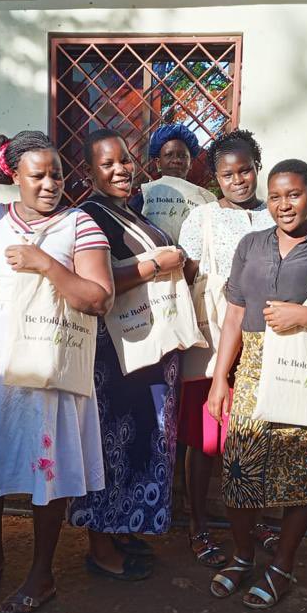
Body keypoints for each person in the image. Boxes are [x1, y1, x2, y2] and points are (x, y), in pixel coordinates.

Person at [0, 131, 114, 613]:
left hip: (52, 372)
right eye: (38, 175)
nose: (50, 184)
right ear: (14, 178)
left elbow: (98, 298)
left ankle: (41, 573)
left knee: (47, 471)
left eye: (57, 175)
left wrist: (45, 262)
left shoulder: (79, 225)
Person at [208, 158, 307, 608]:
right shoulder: (251, 244)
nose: (283, 205)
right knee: (240, 467)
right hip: (255, 365)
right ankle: (242, 558)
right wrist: (221, 378)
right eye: (275, 196)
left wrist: (304, 316)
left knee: (303, 468)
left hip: (305, 368)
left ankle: (282, 567)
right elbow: (235, 314)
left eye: (293, 194)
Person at [67, 128, 186, 580]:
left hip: (145, 351)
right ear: (89, 170)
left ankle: (120, 527)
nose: (121, 170)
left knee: (138, 443)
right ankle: (99, 543)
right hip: (112, 356)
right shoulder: (85, 217)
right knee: (109, 444)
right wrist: (156, 264)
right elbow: (97, 279)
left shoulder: (127, 211)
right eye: (108, 164)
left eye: (125, 161)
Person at [177, 129, 275, 568]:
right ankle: (197, 523)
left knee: (253, 432)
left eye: (245, 171)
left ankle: (253, 520)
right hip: (212, 335)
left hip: (262, 335)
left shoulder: (275, 216)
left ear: (257, 168)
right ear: (215, 178)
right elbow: (186, 276)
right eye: (227, 174)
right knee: (206, 437)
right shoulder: (201, 219)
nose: (238, 180)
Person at [129, 123, 217, 235]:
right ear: (158, 163)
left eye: (182, 156)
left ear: (190, 164)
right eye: (169, 155)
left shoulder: (205, 198)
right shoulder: (143, 197)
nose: (176, 160)